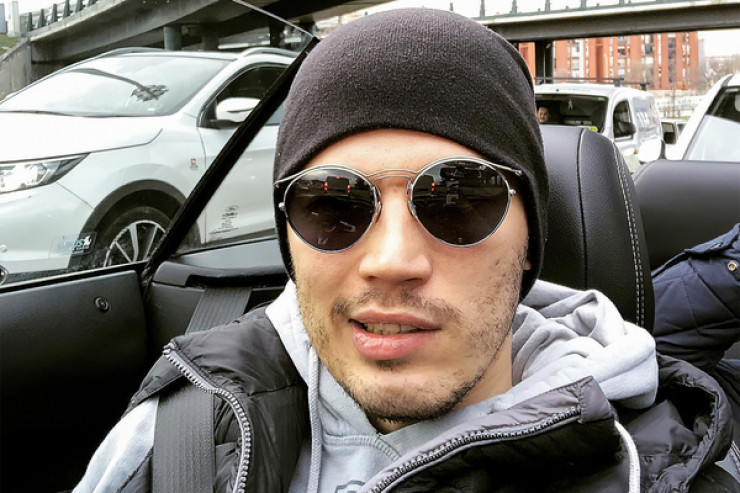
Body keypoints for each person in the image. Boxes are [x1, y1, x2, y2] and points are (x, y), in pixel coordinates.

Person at [74, 9, 737, 492]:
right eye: (333, 205)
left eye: (458, 200)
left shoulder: (658, 467)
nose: (391, 261)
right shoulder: (182, 427)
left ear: (530, 241)